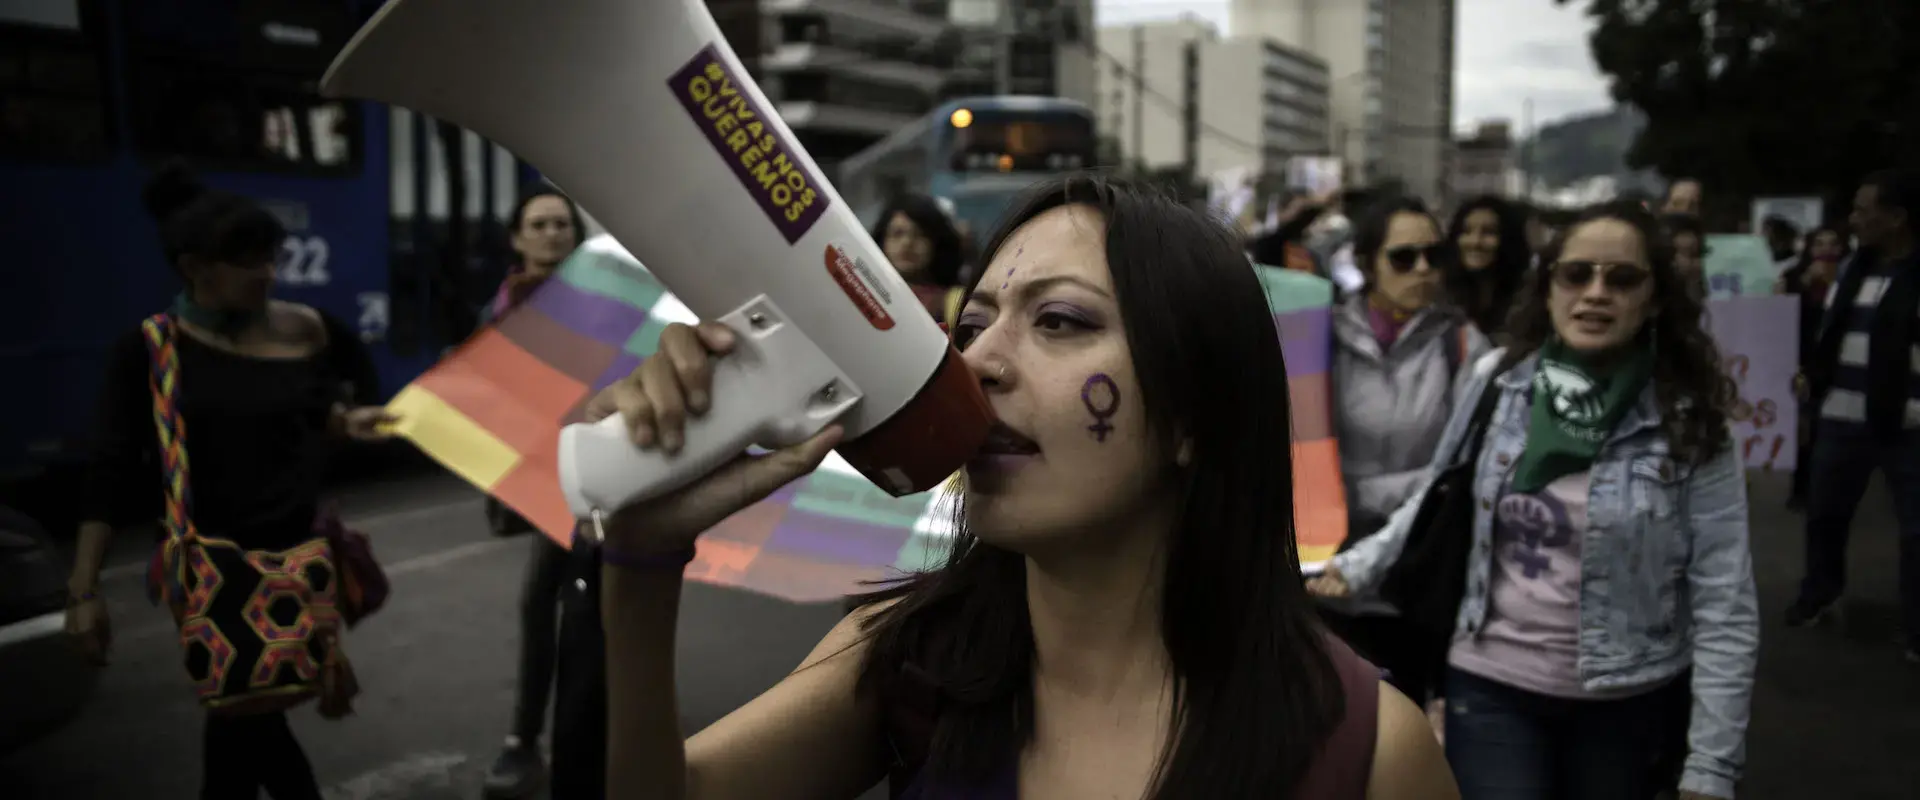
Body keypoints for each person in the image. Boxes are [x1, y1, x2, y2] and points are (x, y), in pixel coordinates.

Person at [580, 175, 1458, 799]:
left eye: (1060, 322)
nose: (978, 365)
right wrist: (642, 559)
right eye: (970, 326)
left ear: (1195, 412)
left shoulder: (1366, 750)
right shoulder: (909, 657)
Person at [1310, 200, 1759, 800]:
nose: (1595, 293)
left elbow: (1725, 600)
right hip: (1490, 685)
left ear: (1654, 299)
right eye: (1576, 274)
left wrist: (1712, 765)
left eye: (1621, 278)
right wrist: (1356, 565)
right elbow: (1441, 491)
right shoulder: (1500, 379)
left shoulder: (1691, 423)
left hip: (1626, 700)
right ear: (1548, 288)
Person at [63, 162, 395, 800]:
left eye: (272, 258)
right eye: (249, 262)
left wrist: (350, 422)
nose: (268, 273)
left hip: (298, 564)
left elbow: (317, 409)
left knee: (243, 724)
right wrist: (83, 590)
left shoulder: (302, 327)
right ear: (194, 268)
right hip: (216, 573)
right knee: (246, 713)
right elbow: (105, 471)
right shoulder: (150, 351)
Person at [1322, 196, 1492, 703]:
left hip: (1412, 580)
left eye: (1433, 256)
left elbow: (1462, 467)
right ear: (1367, 263)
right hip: (1322, 572)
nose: (1422, 269)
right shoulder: (1316, 338)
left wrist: (1374, 498)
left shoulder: (1463, 344)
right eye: (1403, 257)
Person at [479, 185, 591, 799]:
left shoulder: (607, 300)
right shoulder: (500, 307)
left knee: (584, 609)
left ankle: (560, 742)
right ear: (518, 238)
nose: (551, 233)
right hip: (543, 479)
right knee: (542, 606)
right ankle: (529, 740)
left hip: (601, 476)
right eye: (539, 225)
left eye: (560, 224)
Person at [1785, 169, 1920, 666]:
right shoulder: (1852, 268)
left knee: (1915, 529)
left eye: (1865, 210)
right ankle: (1819, 595)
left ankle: (1915, 626)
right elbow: (1831, 333)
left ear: (1898, 218)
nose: (1854, 219)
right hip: (1840, 417)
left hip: (1904, 426)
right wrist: (1813, 378)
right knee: (1824, 514)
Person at [1775, 224, 1852, 510]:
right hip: (1802, 363)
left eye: (1833, 243)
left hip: (1837, 363)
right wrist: (1805, 284)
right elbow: (1782, 315)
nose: (1826, 250)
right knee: (1804, 431)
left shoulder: (1849, 278)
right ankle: (1802, 489)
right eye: (1819, 243)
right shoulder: (1794, 276)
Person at [870, 193, 968, 326]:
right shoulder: (865, 292)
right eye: (897, 233)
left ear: (937, 244)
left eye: (920, 235)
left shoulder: (956, 305)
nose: (907, 243)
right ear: (882, 241)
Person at [1445, 195, 1534, 340]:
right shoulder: (1441, 299)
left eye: (1488, 232)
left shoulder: (1528, 301)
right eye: (1466, 231)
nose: (1475, 242)